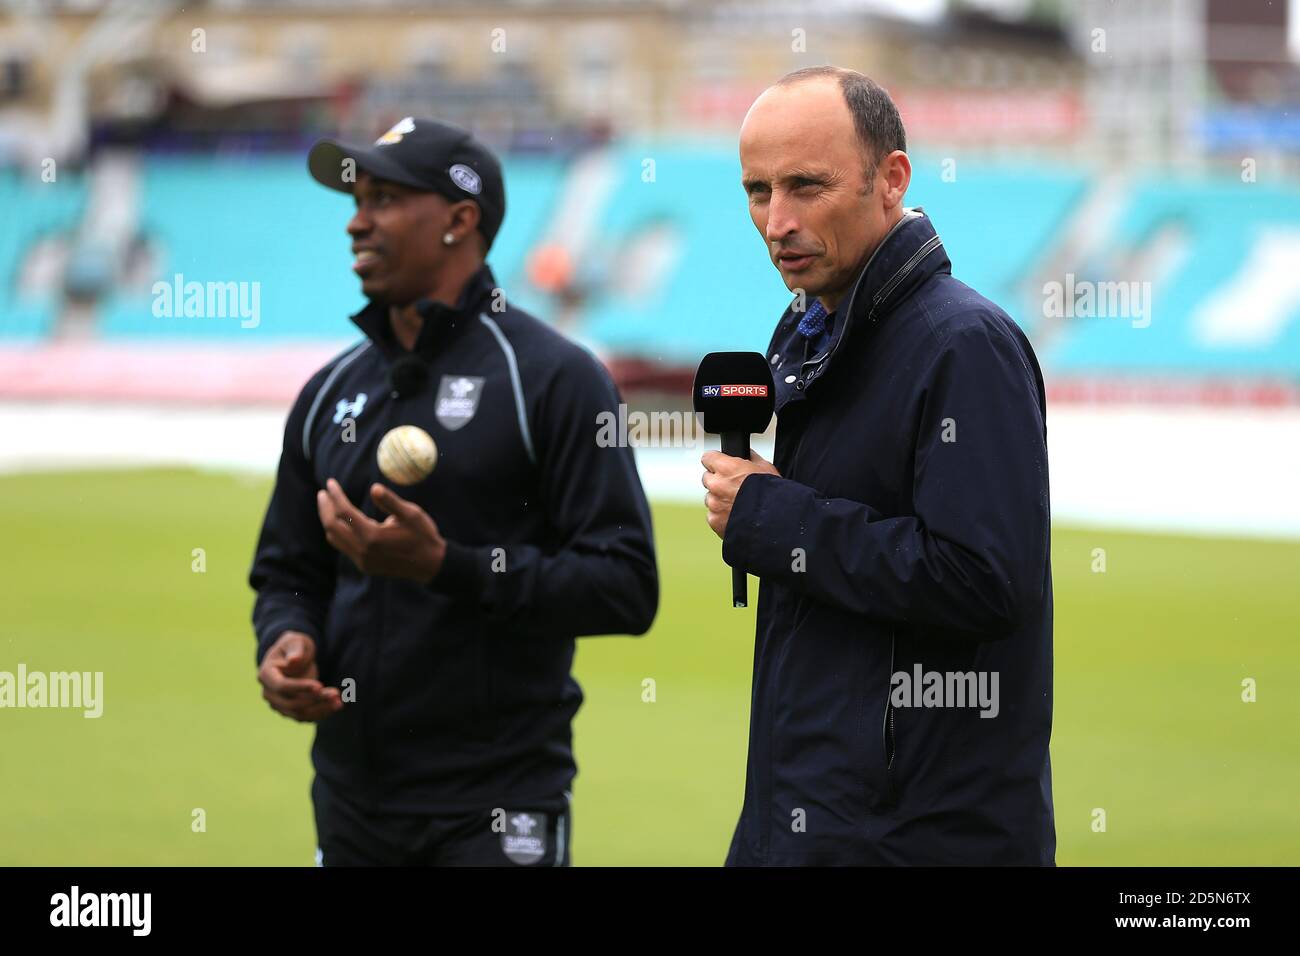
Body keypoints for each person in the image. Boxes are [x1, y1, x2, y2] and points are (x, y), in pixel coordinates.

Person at [249, 116, 658, 866]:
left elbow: (626, 587)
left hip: (496, 809)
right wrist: (286, 638)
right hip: (350, 803)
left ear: (459, 220)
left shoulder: (556, 380)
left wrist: (447, 566)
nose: (356, 221)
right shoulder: (328, 392)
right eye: (355, 199)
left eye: (384, 198)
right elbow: (287, 569)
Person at [701, 67, 1055, 865]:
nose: (776, 221)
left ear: (891, 179)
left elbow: (984, 579)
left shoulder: (963, 345)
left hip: (912, 837)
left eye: (807, 186)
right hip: (809, 817)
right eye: (757, 190)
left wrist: (770, 515)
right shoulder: (811, 331)